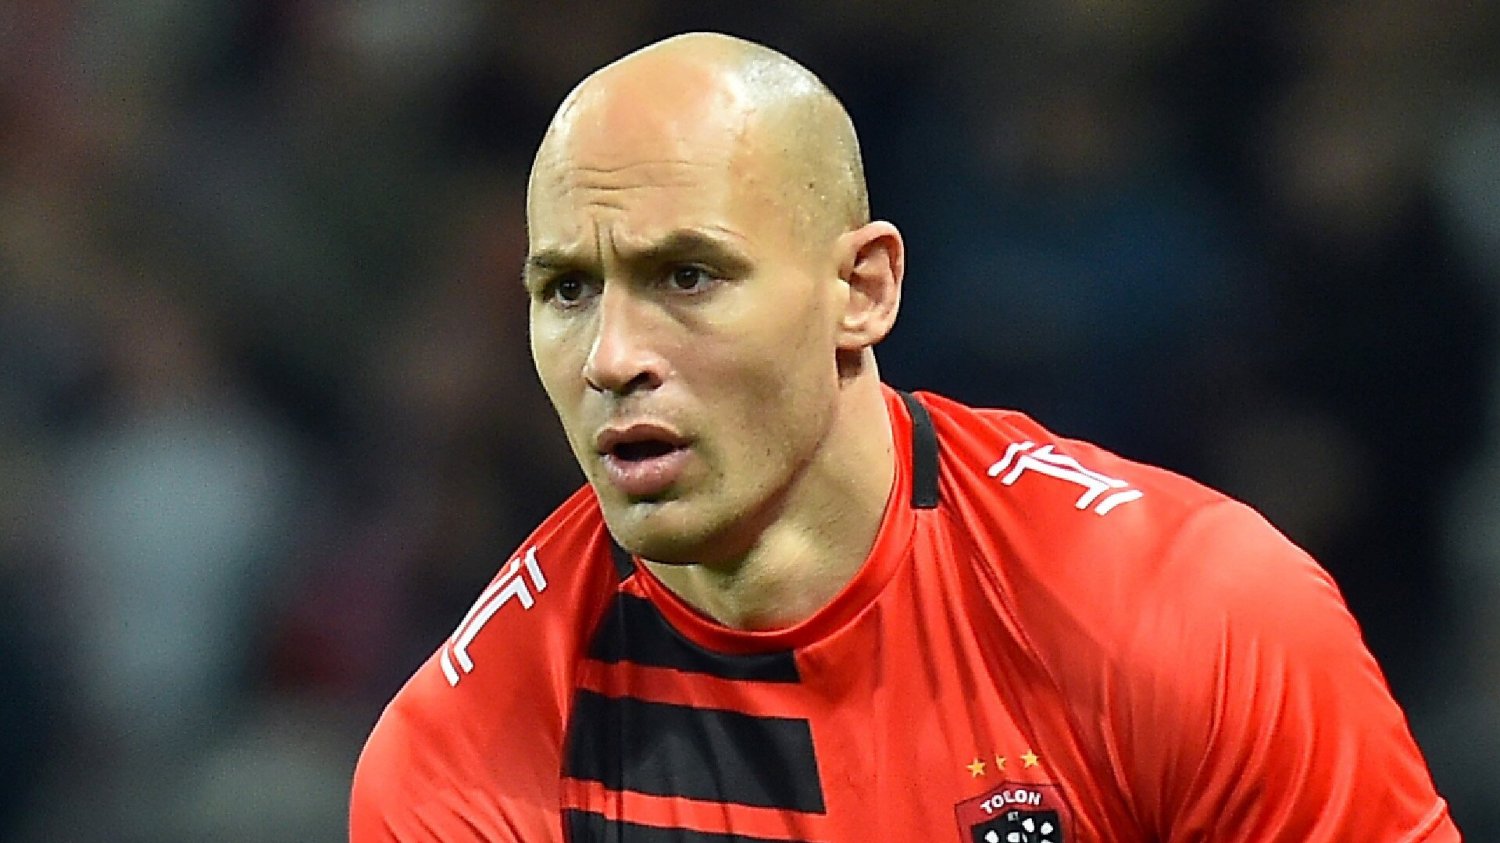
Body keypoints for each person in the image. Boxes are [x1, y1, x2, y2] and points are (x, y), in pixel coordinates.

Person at [350, 32, 1460, 842]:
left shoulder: (1184, 613)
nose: (611, 356)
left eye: (687, 275)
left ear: (862, 290)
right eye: (567, 290)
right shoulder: (467, 760)